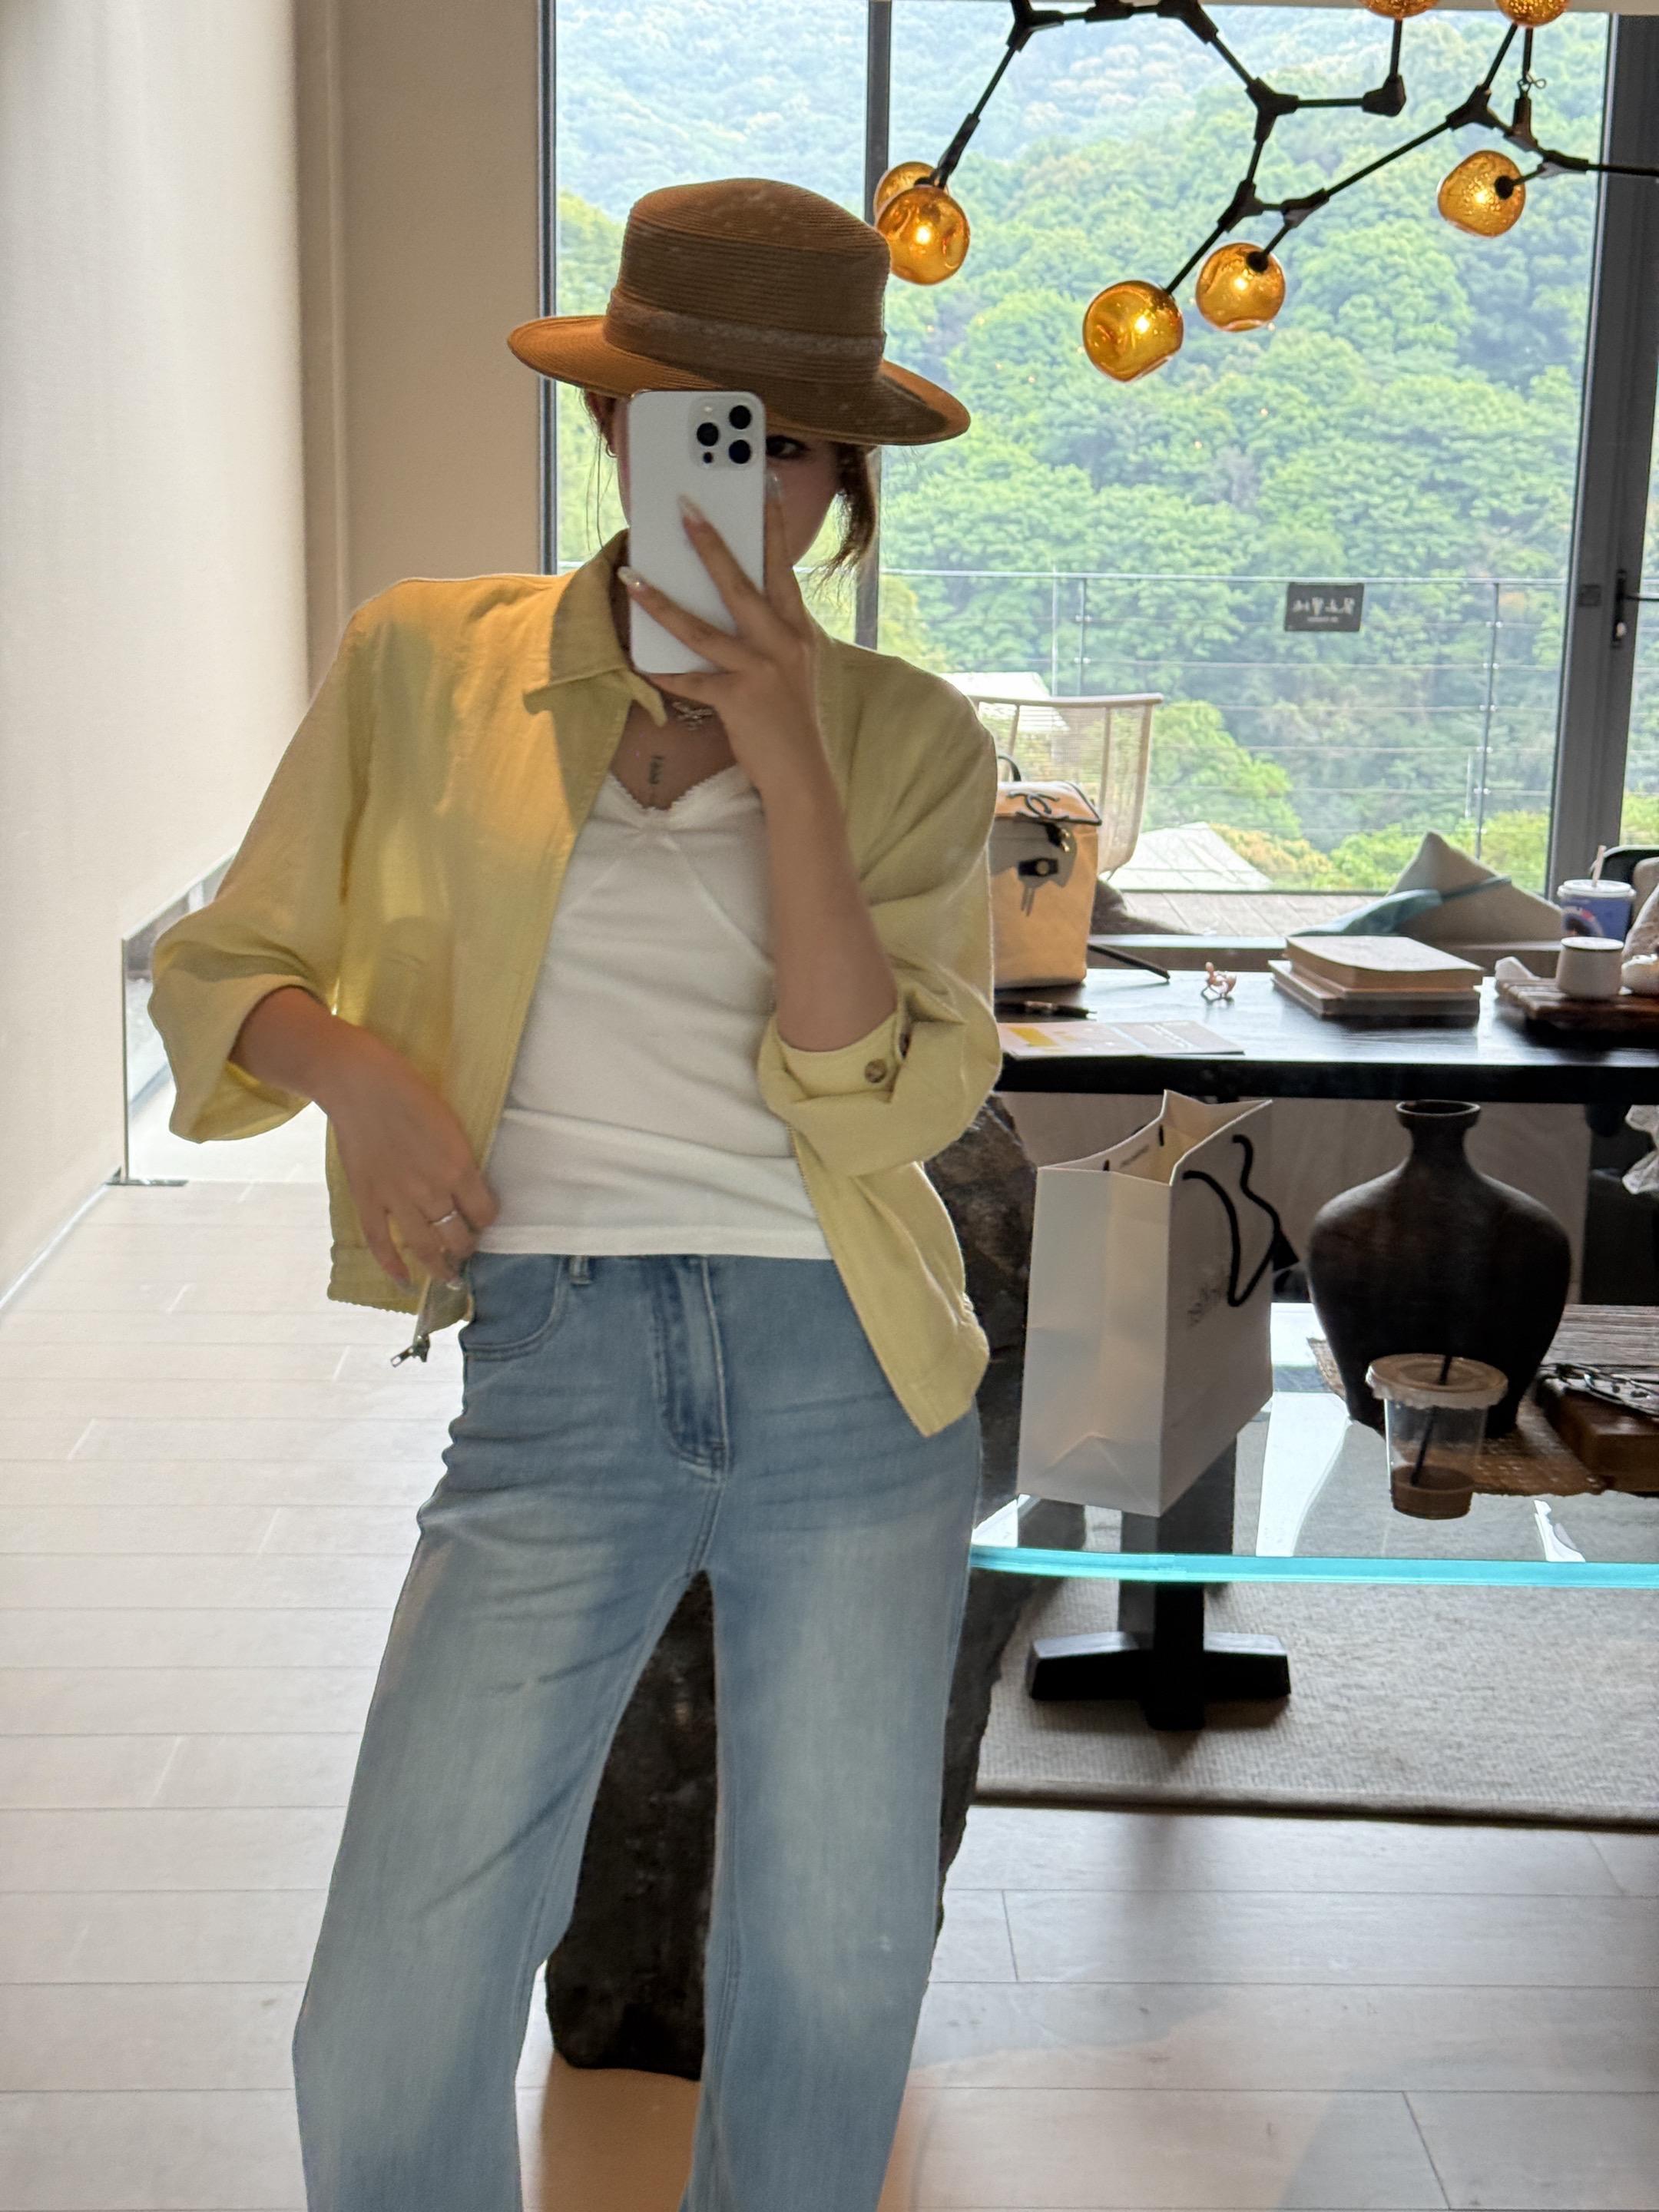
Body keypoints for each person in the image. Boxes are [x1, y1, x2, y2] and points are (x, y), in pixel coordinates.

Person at [147, 176, 1002, 2212]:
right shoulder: (426, 664)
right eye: (711, 428)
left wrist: (786, 751)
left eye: (798, 449)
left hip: (850, 1376)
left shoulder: (906, 737)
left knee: (832, 1975)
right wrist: (359, 1076)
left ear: (845, 481)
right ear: (617, 424)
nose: (756, 485)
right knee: (390, 2007)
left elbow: (880, 1098)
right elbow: (219, 963)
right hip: (557, 1364)